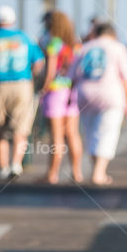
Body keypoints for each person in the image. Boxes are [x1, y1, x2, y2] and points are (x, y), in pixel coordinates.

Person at [0, 5, 44, 179]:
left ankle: (3, 167)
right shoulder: (25, 38)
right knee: (21, 127)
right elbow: (38, 62)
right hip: (22, 84)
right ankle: (16, 165)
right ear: (13, 21)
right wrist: (31, 77)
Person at [71, 22, 127, 186]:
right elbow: (126, 76)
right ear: (112, 34)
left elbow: (73, 75)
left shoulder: (84, 47)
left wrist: (71, 96)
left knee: (91, 133)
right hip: (111, 94)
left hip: (85, 94)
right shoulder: (118, 47)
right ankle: (99, 173)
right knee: (107, 132)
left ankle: (97, 170)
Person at [39, 11, 84, 184]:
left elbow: (50, 71)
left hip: (56, 91)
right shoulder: (75, 44)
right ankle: (77, 172)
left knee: (56, 135)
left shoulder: (53, 43)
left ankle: (52, 174)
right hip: (72, 90)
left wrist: (43, 88)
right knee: (72, 134)